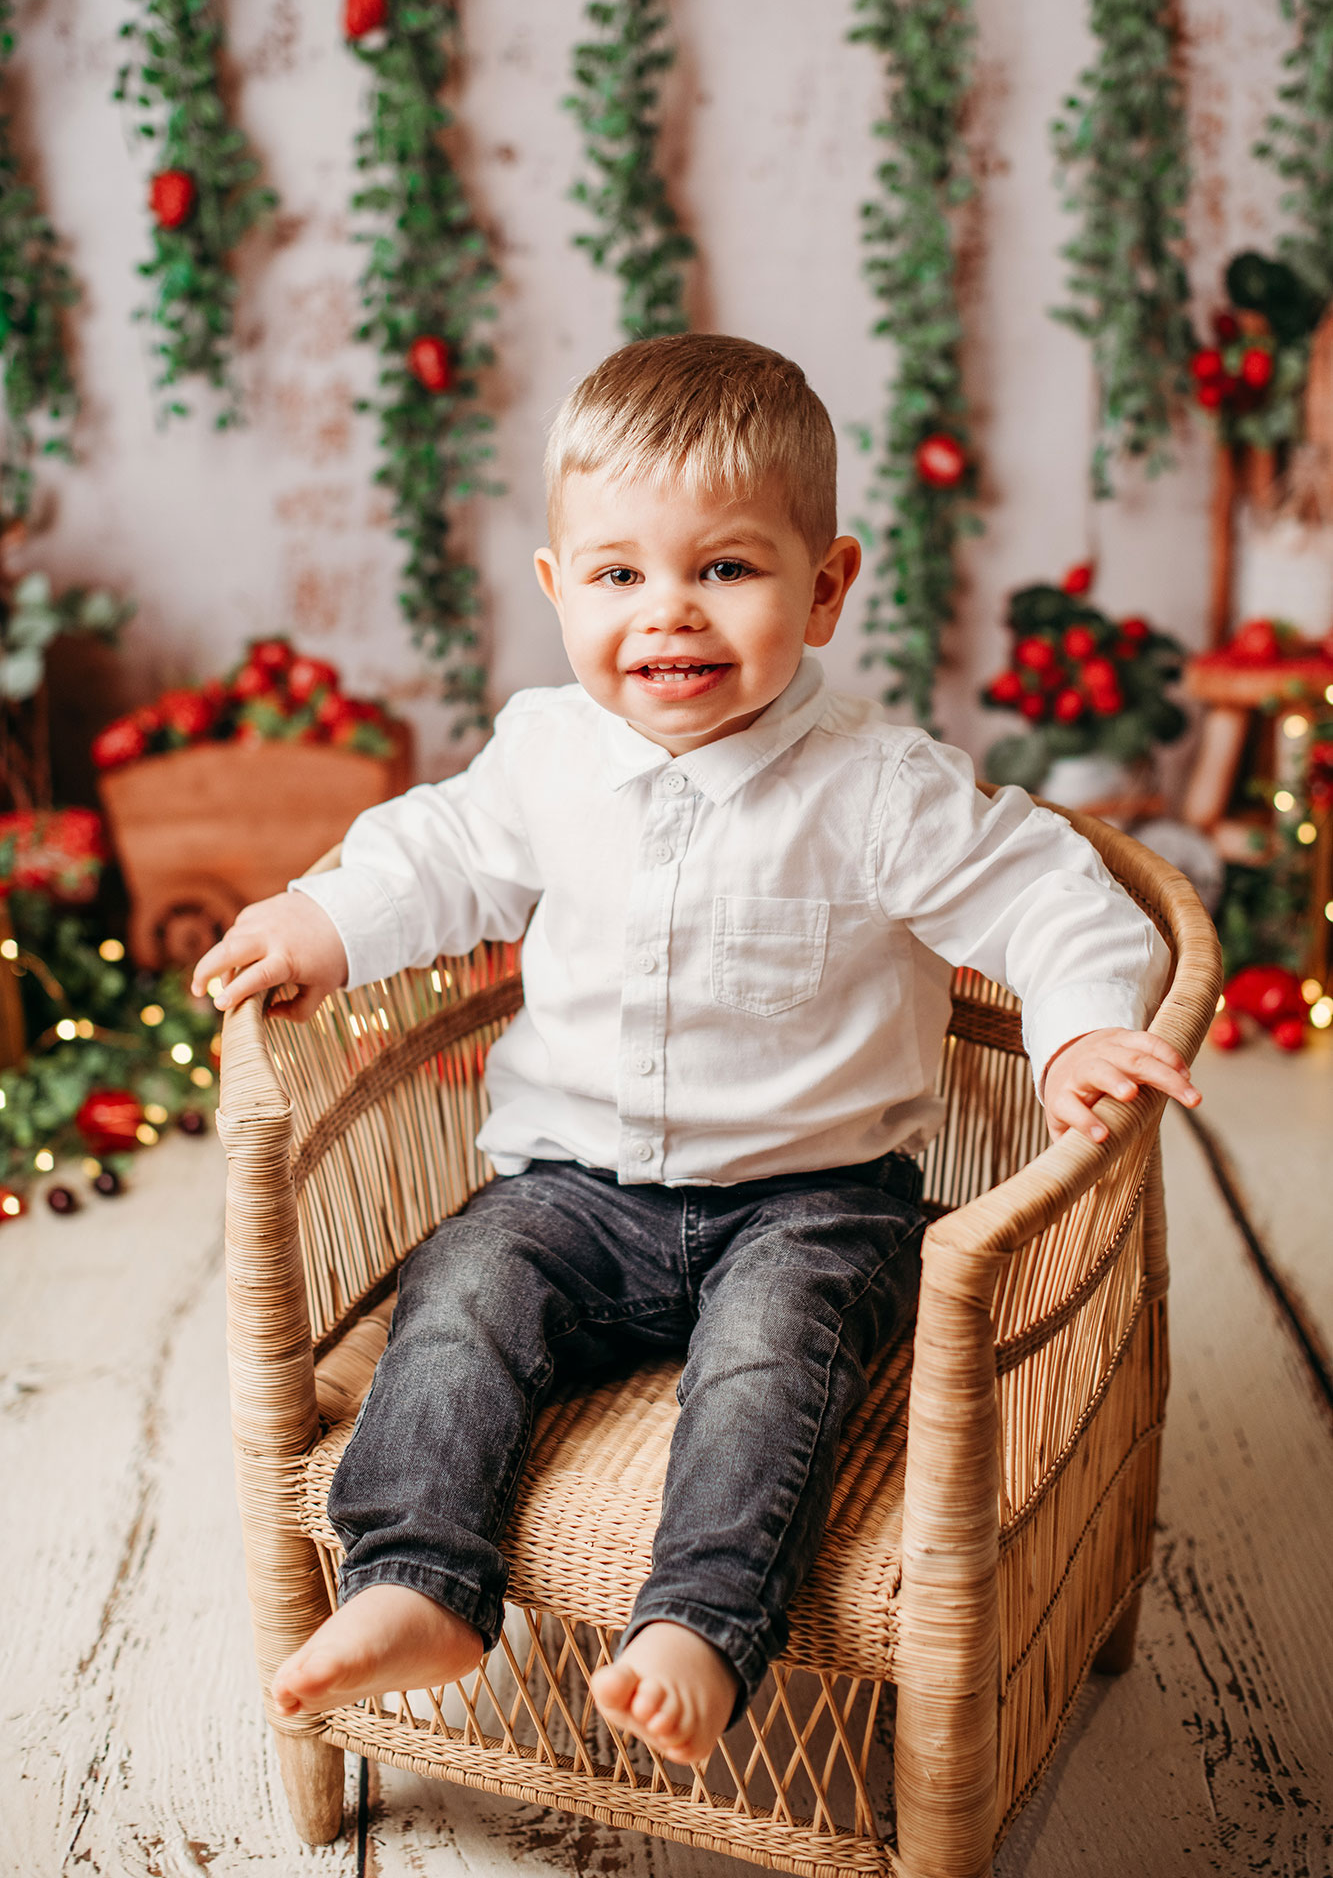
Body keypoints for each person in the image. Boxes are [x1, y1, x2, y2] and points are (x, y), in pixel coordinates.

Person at [192, 333, 1200, 1768]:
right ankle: (418, 1578)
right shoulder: (543, 754)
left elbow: (1045, 893)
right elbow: (435, 856)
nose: (667, 615)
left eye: (724, 569)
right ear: (557, 591)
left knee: (765, 1365)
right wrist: (320, 918)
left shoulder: (874, 786)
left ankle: (703, 1623)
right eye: (617, 576)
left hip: (812, 1200)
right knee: (462, 1294)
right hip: (570, 1194)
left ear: (825, 585)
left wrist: (1080, 1028)